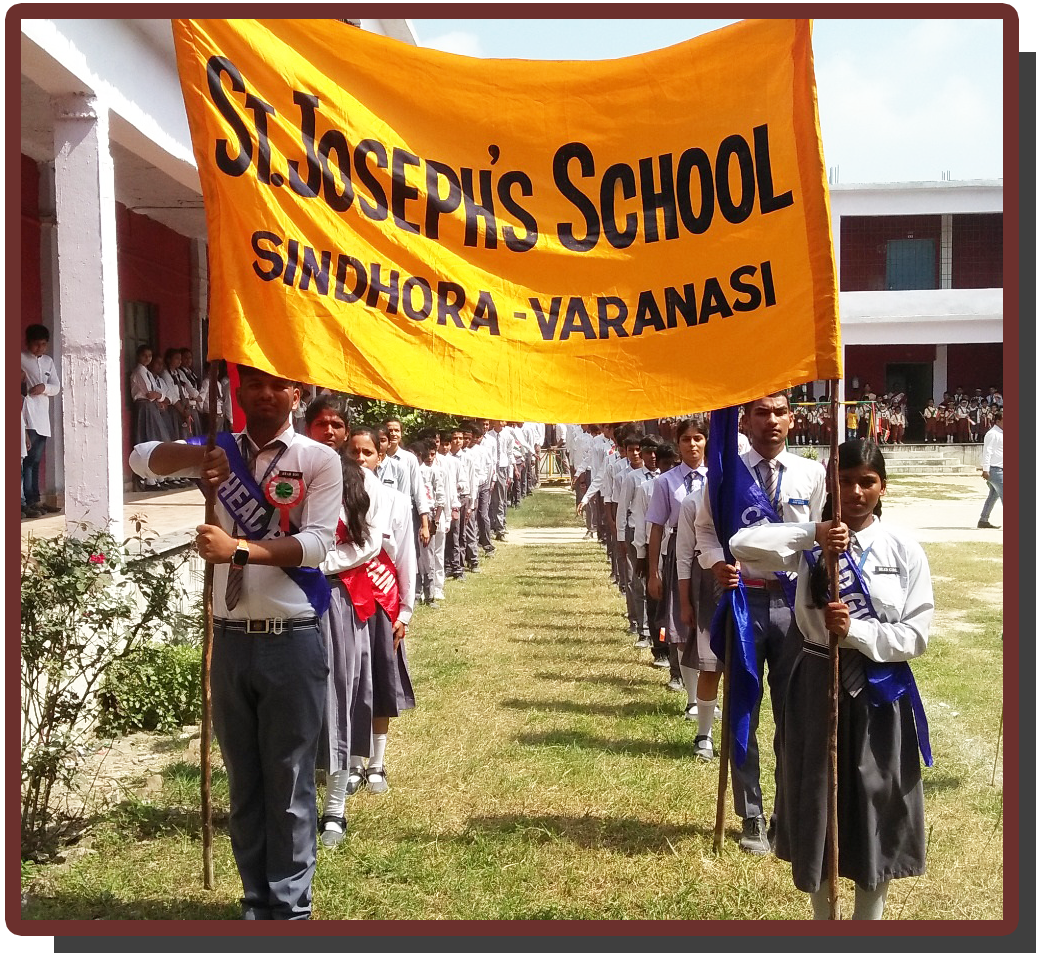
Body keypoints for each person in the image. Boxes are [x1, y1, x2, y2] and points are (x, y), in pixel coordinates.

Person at [129, 365, 342, 920]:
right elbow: (140, 457)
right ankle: (255, 902)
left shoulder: (318, 459)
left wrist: (238, 550)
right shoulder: (219, 446)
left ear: (297, 394)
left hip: (291, 639)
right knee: (245, 781)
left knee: (289, 781)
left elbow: (317, 545)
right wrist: (195, 457)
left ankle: (290, 908)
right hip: (230, 641)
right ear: (239, 394)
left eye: (278, 386)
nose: (265, 395)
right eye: (254, 385)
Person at [729, 439, 933, 920]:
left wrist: (858, 630)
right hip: (816, 681)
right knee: (816, 798)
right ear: (831, 486)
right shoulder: (811, 547)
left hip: (878, 690)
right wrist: (813, 533)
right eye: (846, 481)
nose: (856, 492)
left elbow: (916, 634)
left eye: (867, 482)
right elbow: (743, 546)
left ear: (883, 487)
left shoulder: (903, 549)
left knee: (874, 802)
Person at [694, 392, 826, 854]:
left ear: (792, 419)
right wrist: (715, 564)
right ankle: (751, 814)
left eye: (780, 412)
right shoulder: (727, 474)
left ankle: (787, 814)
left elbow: (822, 534)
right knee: (743, 710)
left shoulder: (812, 473)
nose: (772, 420)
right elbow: (706, 529)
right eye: (761, 412)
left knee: (794, 714)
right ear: (745, 420)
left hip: (795, 607)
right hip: (744, 603)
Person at [21, 324, 62, 515]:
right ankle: (26, 500)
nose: (40, 348)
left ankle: (36, 499)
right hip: (26, 415)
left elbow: (56, 386)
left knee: (36, 461)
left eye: (43, 344)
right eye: (36, 344)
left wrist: (43, 388)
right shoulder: (20, 358)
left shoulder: (48, 361)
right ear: (28, 343)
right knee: (26, 461)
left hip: (42, 417)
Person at [977, 409, 1003, 529]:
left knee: (993, 495)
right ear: (998, 421)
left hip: (999, 468)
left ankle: (983, 519)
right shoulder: (993, 434)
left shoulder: (1001, 433)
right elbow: (987, 452)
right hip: (994, 469)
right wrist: (986, 469)